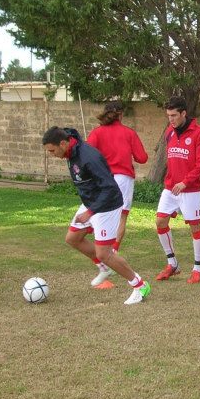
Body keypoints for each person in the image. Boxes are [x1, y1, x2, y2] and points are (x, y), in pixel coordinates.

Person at [41, 126, 150, 305]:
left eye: (52, 150)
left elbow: (110, 188)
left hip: (107, 205)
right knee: (73, 238)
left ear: (62, 143)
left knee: (104, 253)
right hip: (92, 202)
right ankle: (104, 268)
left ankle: (139, 285)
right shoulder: (70, 149)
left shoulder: (88, 157)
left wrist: (90, 212)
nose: (52, 154)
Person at [86, 101, 149, 287]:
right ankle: (112, 254)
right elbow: (142, 158)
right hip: (123, 179)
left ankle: (106, 257)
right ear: (121, 115)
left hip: (103, 179)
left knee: (100, 215)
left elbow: (88, 154)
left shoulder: (97, 132)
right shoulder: (129, 133)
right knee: (121, 218)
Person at [155, 97, 200, 284]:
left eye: (174, 115)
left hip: (190, 189)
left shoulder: (199, 133)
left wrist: (185, 182)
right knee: (160, 222)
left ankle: (197, 269)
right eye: (168, 115)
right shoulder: (169, 132)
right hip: (170, 188)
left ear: (184, 113)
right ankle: (173, 264)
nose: (171, 119)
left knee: (195, 227)